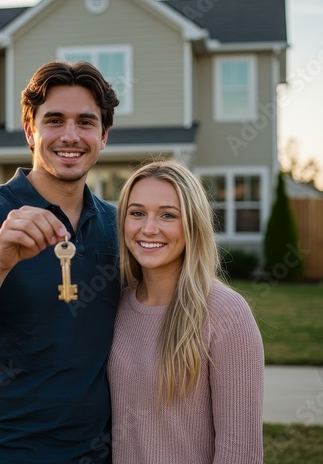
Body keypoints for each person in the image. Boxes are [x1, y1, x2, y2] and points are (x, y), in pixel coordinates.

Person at [0, 61, 121, 463]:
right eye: (54, 120)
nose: (70, 135)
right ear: (31, 131)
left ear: (103, 136)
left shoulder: (119, 225)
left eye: (85, 122)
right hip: (0, 452)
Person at [107, 159, 264, 464]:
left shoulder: (226, 313)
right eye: (137, 213)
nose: (148, 229)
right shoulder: (116, 307)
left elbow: (240, 450)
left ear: (192, 224)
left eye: (167, 215)